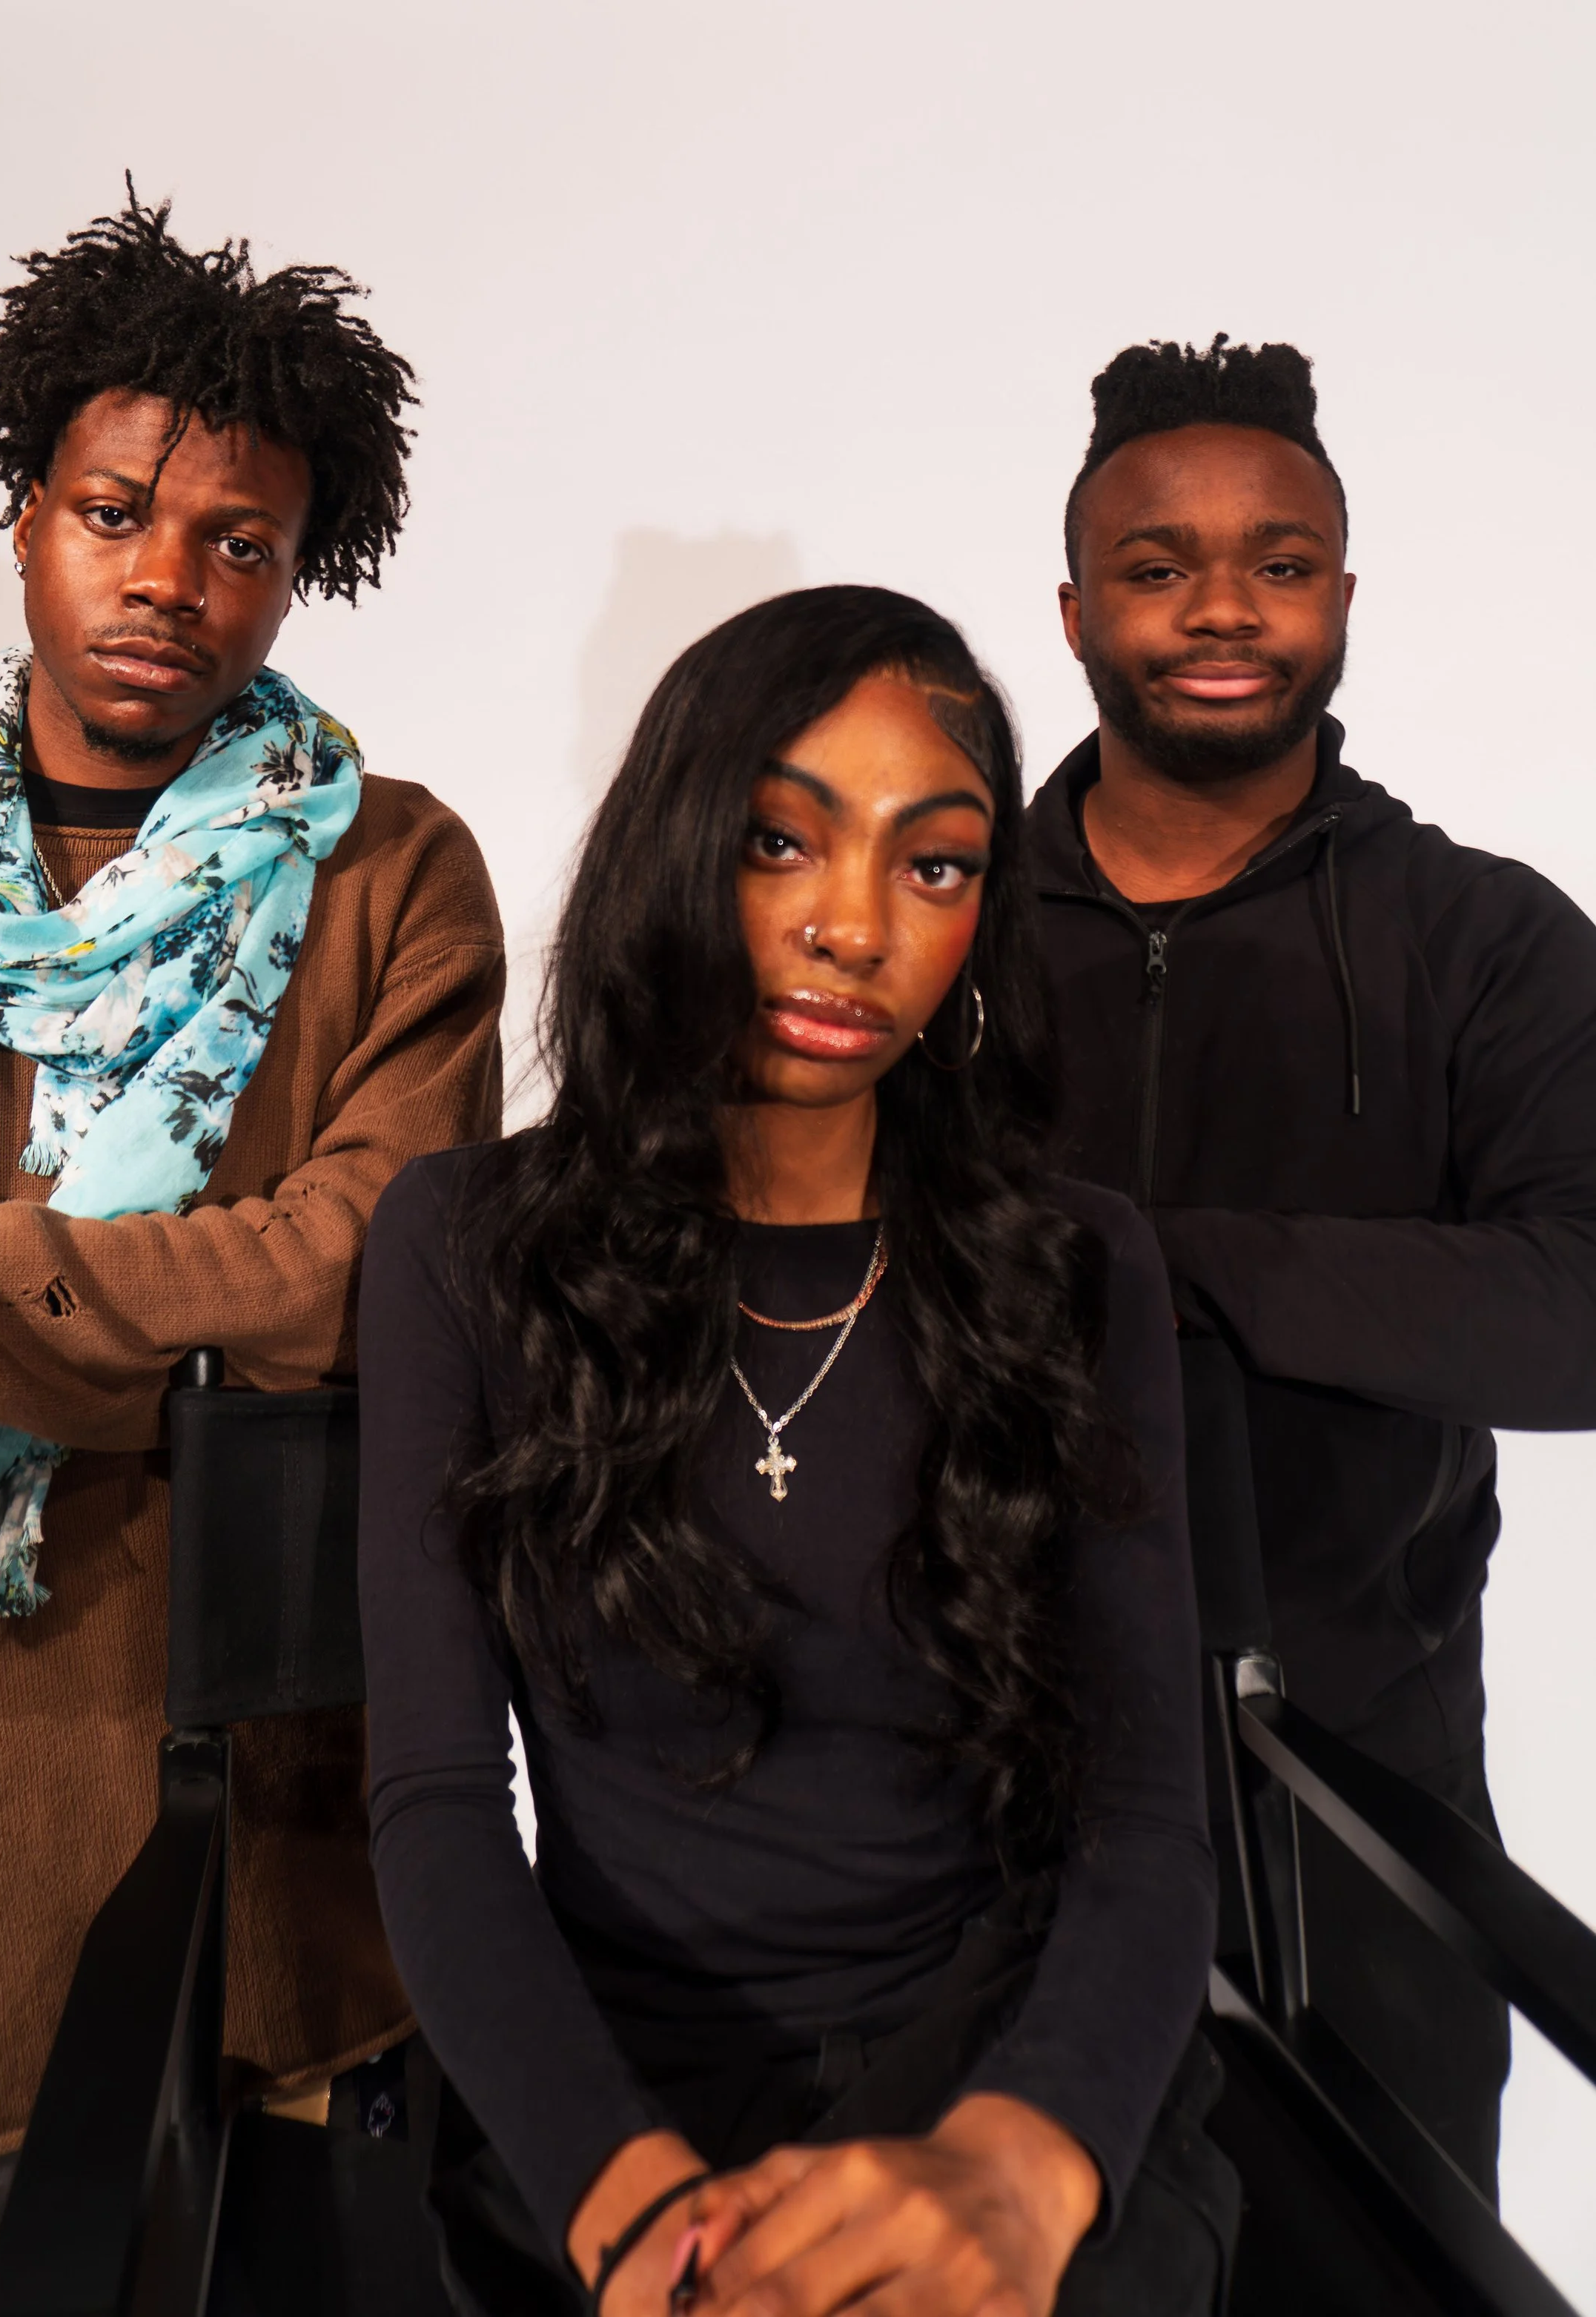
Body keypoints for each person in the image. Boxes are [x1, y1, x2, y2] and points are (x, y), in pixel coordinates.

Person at [0, 191, 502, 2310]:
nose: (168, 581)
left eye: (240, 542)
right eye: (115, 511)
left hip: (262, 1882)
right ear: (22, 506)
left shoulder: (382, 880)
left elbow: (378, 1257)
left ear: (302, 567)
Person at [357, 586, 1238, 2317]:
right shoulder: (462, 1243)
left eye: (932, 864)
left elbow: (1143, 1811)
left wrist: (1017, 2160)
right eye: (781, 840)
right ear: (677, 847)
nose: (852, 926)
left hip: (1009, 2057)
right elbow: (439, 1807)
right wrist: (631, 2217)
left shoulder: (1075, 1262)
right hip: (613, 2097)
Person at [1030, 334, 1596, 2194]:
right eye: (1157, 563)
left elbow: (1578, 1307)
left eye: (1276, 563)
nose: (1220, 609)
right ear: (1071, 607)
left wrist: (1158, 1263)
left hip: (1367, 1815)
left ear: (1339, 597)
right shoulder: (930, 934)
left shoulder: (1482, 937)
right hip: (971, 1831)